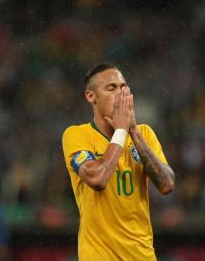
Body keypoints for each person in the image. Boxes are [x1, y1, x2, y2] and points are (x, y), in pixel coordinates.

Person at [62, 63, 175, 260]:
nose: (121, 93)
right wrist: (121, 131)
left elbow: (167, 184)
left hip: (142, 255)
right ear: (91, 96)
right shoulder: (76, 135)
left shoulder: (144, 134)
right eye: (111, 88)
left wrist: (133, 132)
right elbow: (98, 179)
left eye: (124, 87)